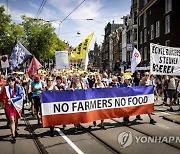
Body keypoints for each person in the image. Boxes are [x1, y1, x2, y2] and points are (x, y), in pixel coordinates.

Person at [0, 76, 23, 143]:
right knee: (12, 120)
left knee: (16, 119)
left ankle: (15, 130)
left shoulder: (18, 87)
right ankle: (13, 136)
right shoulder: (6, 88)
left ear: (14, 81)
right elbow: (1, 95)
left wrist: (13, 99)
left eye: (11, 81)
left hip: (17, 106)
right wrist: (3, 87)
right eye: (9, 81)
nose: (10, 83)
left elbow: (20, 95)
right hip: (9, 106)